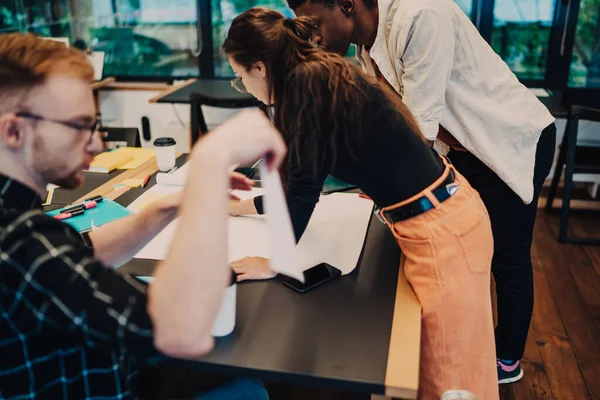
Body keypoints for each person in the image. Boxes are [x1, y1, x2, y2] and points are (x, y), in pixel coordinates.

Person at [223, 8, 499, 399]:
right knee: (435, 372)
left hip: (442, 233)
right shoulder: (317, 73)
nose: (244, 85)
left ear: (259, 68)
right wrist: (239, 207)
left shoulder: (306, 91)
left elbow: (302, 191)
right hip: (442, 216)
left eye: (240, 76)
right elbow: (301, 185)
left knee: (450, 383)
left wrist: (274, 262)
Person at [0, 33, 286, 399]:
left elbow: (80, 249)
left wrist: (170, 205)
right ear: (13, 130)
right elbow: (180, 329)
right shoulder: (24, 245)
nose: (97, 144)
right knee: (250, 393)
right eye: (78, 126)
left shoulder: (23, 230)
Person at [289, 0, 557, 384]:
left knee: (507, 258)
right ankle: (469, 346)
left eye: (313, 23)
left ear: (345, 5)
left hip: (508, 138)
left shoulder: (420, 15)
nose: (311, 36)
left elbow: (416, 132)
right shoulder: (367, 44)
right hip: (464, 145)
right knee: (471, 254)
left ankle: (507, 360)